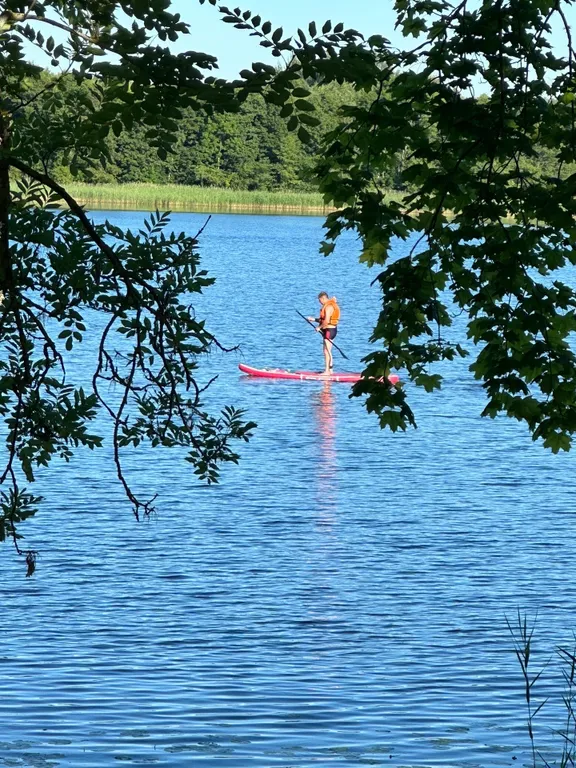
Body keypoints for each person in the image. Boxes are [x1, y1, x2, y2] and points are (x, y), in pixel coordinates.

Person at [307, 292, 340, 374]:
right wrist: (314, 319)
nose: (320, 302)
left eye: (320, 300)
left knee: (326, 351)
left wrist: (319, 327)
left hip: (329, 331)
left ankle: (327, 371)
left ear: (323, 298)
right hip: (330, 330)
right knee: (327, 350)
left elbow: (326, 321)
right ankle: (330, 370)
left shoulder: (328, 307)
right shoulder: (330, 305)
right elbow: (323, 319)